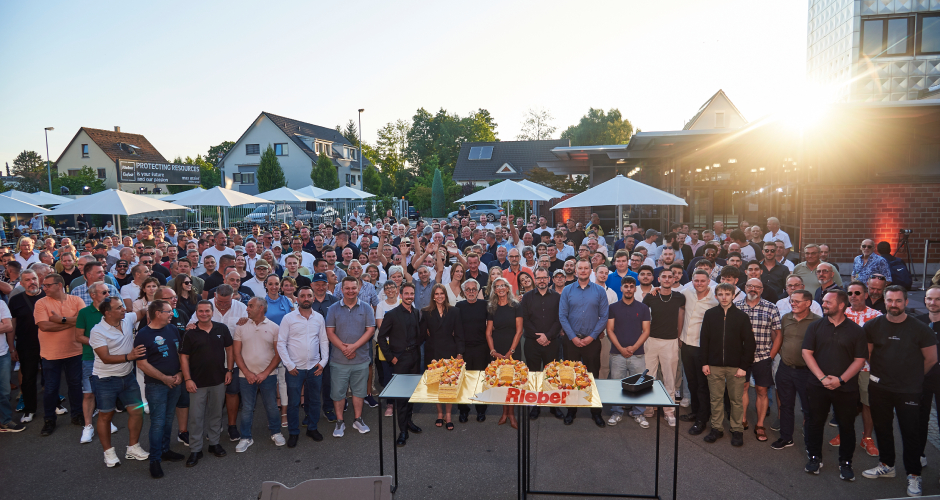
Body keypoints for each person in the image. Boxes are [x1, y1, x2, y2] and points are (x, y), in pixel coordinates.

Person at [862, 286, 937, 496]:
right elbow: (868, 354)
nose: (893, 304)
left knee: (911, 432)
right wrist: (884, 373)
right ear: (884, 301)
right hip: (880, 387)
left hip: (909, 390)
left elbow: (931, 359)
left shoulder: (920, 328)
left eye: (898, 300)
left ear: (906, 302)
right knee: (882, 427)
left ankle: (914, 474)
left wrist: (911, 377)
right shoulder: (872, 325)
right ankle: (887, 465)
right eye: (889, 300)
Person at [801, 289, 867, 480]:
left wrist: (841, 380)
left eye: (828, 302)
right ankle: (814, 457)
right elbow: (806, 353)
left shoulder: (856, 331)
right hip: (817, 386)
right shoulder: (815, 326)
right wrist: (822, 378)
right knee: (815, 423)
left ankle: (845, 462)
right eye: (823, 301)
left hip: (846, 388)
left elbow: (859, 360)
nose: (823, 304)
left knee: (846, 426)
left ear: (841, 305)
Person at [89, 297, 150, 467]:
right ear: (107, 313)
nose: (124, 309)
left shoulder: (127, 318)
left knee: (137, 411)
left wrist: (154, 307)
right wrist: (129, 356)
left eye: (122, 306)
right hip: (105, 379)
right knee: (106, 415)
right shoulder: (97, 331)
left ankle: (133, 447)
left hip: (128, 376)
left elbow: (142, 312)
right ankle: (108, 453)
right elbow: (105, 358)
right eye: (118, 308)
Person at [134, 299, 186, 478]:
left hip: (175, 382)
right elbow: (142, 364)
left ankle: (165, 450)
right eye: (169, 311)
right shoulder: (143, 334)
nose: (172, 314)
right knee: (157, 423)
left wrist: (180, 372)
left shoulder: (172, 329)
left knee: (168, 419)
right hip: (156, 385)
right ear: (157, 313)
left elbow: (179, 353)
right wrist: (164, 378)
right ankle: (154, 460)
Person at [829, 281, 882, 454]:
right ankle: (843, 433)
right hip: (844, 367)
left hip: (867, 368)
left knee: (868, 404)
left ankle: (867, 438)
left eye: (857, 293)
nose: (853, 296)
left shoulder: (877, 316)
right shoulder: (840, 313)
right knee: (844, 403)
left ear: (866, 295)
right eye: (850, 293)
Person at [700, 283, 756, 447]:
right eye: (720, 294)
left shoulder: (741, 317)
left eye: (727, 294)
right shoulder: (710, 314)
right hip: (714, 365)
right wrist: (704, 362)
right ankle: (716, 428)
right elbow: (704, 340)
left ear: (733, 296)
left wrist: (743, 366)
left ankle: (737, 429)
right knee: (715, 399)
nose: (724, 297)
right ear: (716, 296)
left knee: (736, 400)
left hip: (736, 367)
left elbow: (749, 344)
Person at [180, 300, 234, 467]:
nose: (204, 314)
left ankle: (214, 443)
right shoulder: (190, 333)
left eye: (207, 311)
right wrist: (188, 379)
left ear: (212, 312)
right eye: (201, 311)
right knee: (196, 417)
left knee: (216, 413)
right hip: (197, 382)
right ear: (196, 313)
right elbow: (184, 357)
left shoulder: (222, 328)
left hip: (218, 379)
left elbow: (229, 349)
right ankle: (195, 449)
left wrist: (229, 370)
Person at [34, 273, 87, 436]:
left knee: (75, 385)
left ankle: (77, 414)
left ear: (59, 285)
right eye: (44, 285)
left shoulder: (76, 300)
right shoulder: (41, 303)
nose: (44, 288)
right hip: (51, 354)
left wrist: (61, 319)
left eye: (47, 285)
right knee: (51, 388)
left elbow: (83, 320)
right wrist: (71, 322)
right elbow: (44, 326)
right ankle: (49, 419)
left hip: (75, 351)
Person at [558, 259, 609, 427]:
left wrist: (592, 337)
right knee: (570, 376)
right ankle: (571, 411)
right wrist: (573, 337)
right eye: (580, 268)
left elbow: (604, 316)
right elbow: (562, 316)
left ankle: (596, 412)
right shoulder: (567, 290)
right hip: (571, 341)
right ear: (575, 270)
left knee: (592, 376)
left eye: (586, 268)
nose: (583, 270)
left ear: (591, 271)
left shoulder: (599, 291)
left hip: (591, 341)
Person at [277, 287, 329, 448]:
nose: (306, 298)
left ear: (313, 298)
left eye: (309, 296)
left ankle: (312, 428)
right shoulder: (288, 318)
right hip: (295, 369)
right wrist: (289, 364)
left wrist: (323, 362)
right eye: (303, 296)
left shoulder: (319, 318)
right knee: (293, 403)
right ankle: (293, 432)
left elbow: (323, 341)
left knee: (314, 400)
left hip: (315, 367)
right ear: (297, 299)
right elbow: (281, 343)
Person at [325, 277, 375, 438]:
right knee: (338, 393)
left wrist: (353, 347)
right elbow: (330, 332)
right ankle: (340, 421)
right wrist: (344, 348)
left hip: (361, 359)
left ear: (358, 289)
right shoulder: (333, 309)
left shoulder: (366, 308)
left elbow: (370, 330)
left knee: (359, 392)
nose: (350, 291)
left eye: (354, 288)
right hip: (339, 360)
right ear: (341, 290)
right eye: (347, 288)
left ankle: (358, 419)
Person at [233, 297, 284, 453]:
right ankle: (245, 437)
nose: (247, 308)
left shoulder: (275, 327)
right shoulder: (240, 327)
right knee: (247, 407)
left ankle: (276, 432)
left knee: (272, 406)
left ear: (261, 308)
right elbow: (236, 353)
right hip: (245, 376)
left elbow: (278, 354)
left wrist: (265, 373)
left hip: (268, 375)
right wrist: (247, 372)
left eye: (250, 306)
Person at [771, 290, 820, 451]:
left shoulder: (818, 322)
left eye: (797, 301)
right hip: (785, 369)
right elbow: (779, 338)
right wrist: (782, 353)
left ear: (808, 303)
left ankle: (811, 443)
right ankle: (786, 437)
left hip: (806, 372)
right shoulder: (786, 318)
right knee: (785, 405)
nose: (793, 304)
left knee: (808, 408)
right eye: (792, 301)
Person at [734, 278, 782, 442]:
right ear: (745, 287)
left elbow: (778, 334)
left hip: (763, 356)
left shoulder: (771, 307)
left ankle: (760, 425)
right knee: (743, 388)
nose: (753, 289)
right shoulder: (736, 306)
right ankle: (743, 419)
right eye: (750, 286)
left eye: (757, 287)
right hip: (741, 357)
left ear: (762, 290)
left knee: (762, 390)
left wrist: (771, 356)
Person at [378, 283, 425, 447]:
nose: (409, 296)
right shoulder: (392, 314)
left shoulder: (416, 312)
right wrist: (391, 358)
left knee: (411, 394)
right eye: (406, 293)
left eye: (412, 294)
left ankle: (409, 422)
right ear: (400, 294)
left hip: (414, 358)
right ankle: (402, 430)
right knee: (402, 398)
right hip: (400, 360)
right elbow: (381, 337)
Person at [637, 268, 685, 426]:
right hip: (651, 340)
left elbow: (682, 315)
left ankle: (669, 411)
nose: (667, 279)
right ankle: (648, 407)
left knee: (669, 378)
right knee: (649, 376)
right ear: (659, 279)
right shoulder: (651, 296)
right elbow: (642, 317)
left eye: (670, 276)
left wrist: (679, 336)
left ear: (674, 279)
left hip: (670, 341)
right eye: (664, 276)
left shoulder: (679, 297)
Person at [75, 282, 121, 444]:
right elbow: (78, 336)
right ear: (93, 295)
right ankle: (88, 426)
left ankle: (106, 421)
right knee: (89, 393)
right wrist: (98, 344)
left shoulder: (113, 311)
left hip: (111, 357)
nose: (108, 294)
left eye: (108, 291)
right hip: (90, 357)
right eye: (104, 292)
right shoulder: (84, 313)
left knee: (106, 392)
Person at [606, 276, 652, 428]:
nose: (628, 289)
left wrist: (633, 348)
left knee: (640, 384)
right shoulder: (613, 308)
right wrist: (621, 349)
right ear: (621, 288)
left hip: (637, 354)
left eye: (631, 286)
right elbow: (610, 330)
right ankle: (616, 412)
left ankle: (638, 413)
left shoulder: (643, 308)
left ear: (635, 289)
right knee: (616, 384)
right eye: (626, 286)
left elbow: (646, 331)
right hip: (617, 353)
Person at [676, 270, 718, 434]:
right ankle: (695, 411)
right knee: (691, 382)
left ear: (708, 281)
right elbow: (672, 296)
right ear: (692, 281)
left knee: (702, 385)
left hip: (703, 347)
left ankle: (702, 419)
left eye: (702, 281)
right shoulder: (687, 292)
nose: (699, 284)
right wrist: (656, 289)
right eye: (696, 281)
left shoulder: (715, 298)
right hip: (686, 344)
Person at [420, 284, 464, 430]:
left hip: (450, 352)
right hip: (432, 353)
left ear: (445, 295)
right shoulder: (426, 312)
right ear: (433, 296)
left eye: (442, 293)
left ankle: (448, 415)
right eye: (437, 294)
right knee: (436, 384)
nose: (439, 296)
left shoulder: (454, 311)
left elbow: (459, 334)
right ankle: (439, 413)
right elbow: (421, 334)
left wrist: (459, 354)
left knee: (448, 384)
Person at [485, 277, 523, 429]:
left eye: (503, 286)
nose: (500, 288)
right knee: (500, 381)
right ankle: (504, 412)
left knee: (512, 382)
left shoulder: (516, 306)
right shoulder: (491, 308)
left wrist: (511, 351)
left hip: (513, 347)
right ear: (494, 290)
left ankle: (511, 414)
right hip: (498, 348)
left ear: (507, 288)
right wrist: (493, 351)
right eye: (497, 286)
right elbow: (488, 332)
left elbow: (519, 331)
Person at [8, 270, 44, 425]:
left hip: (49, 344)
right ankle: (30, 409)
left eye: (34, 278)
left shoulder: (47, 296)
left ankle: (55, 404)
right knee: (28, 378)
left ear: (39, 280)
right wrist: (12, 347)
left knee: (51, 376)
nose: (32, 282)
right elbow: (12, 325)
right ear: (21, 283)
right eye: (27, 280)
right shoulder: (15, 300)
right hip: (26, 345)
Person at [455, 279, 489, 423]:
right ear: (464, 291)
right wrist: (459, 351)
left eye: (473, 289)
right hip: (464, 349)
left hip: (482, 348)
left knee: (481, 380)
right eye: (468, 289)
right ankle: (463, 410)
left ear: (478, 290)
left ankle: (481, 410)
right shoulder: (459, 306)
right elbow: (457, 330)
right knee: (463, 381)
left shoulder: (485, 305)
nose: (471, 292)